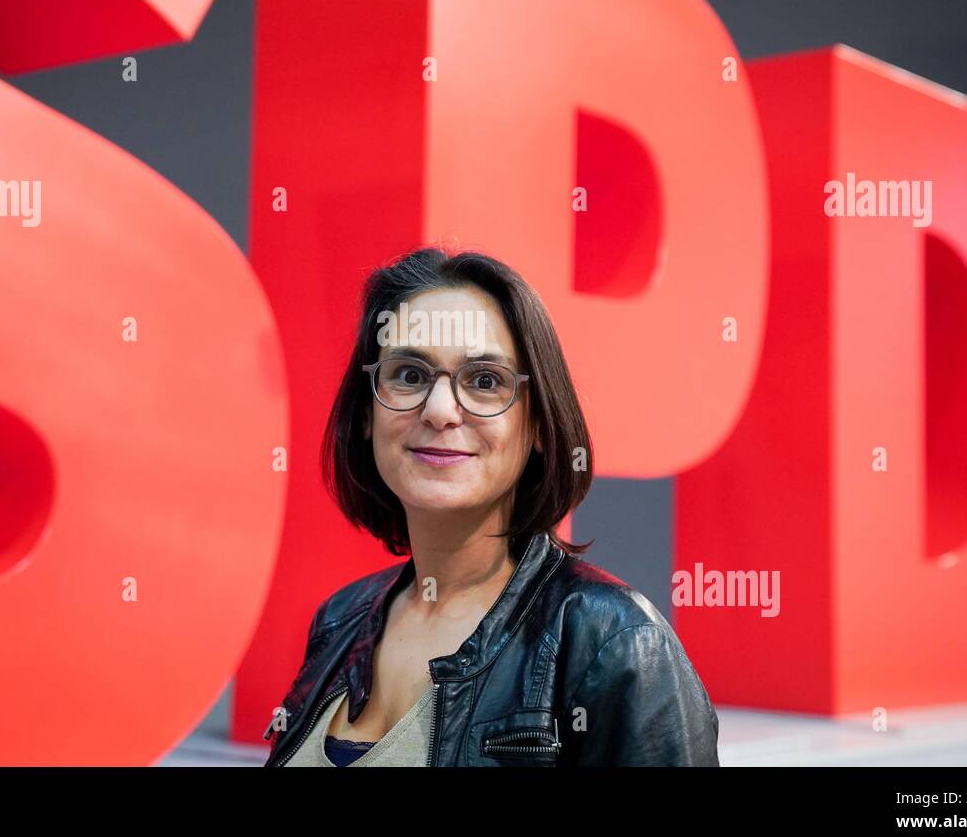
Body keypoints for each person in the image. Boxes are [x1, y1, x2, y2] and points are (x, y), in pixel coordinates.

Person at [263, 246, 719, 766]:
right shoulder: (339, 619)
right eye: (409, 374)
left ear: (540, 426)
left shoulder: (614, 640)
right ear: (368, 413)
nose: (438, 411)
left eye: (485, 382)